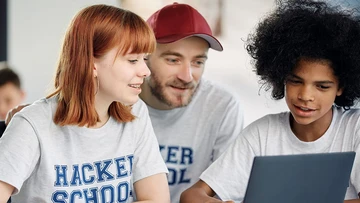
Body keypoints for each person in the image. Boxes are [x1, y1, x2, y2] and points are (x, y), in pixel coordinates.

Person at [180, 0, 360, 202]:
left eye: (322, 86)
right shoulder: (262, 134)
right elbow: (191, 196)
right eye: (295, 81)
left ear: (341, 87)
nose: (305, 95)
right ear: (281, 76)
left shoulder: (354, 129)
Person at [0, 4, 170, 203]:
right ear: (91, 64)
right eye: (133, 60)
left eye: (145, 59)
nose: (145, 71)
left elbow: (156, 199)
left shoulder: (136, 113)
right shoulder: (31, 124)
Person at [139, 2, 244, 202]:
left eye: (197, 62)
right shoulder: (117, 102)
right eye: (173, 60)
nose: (187, 76)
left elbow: (227, 188)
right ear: (144, 57)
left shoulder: (222, 106)